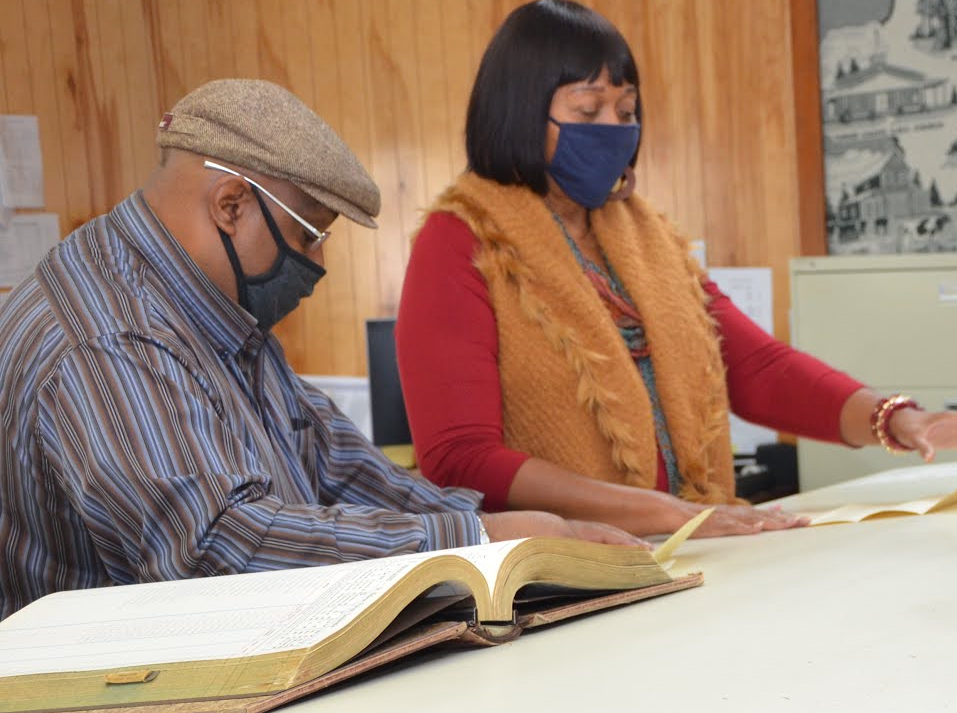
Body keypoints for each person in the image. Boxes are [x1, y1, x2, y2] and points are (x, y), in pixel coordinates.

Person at [0, 79, 634, 621]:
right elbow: (214, 548)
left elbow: (339, 469)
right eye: (308, 236)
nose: (318, 264)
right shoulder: (110, 338)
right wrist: (473, 538)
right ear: (231, 206)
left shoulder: (212, 314)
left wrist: (516, 533)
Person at [397, 0, 957, 539]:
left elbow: (756, 367)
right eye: (587, 109)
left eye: (626, 111)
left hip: (692, 549)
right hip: (566, 576)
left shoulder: (644, 233)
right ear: (520, 111)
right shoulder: (461, 240)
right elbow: (461, 458)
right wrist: (668, 514)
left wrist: (894, 419)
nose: (614, 129)